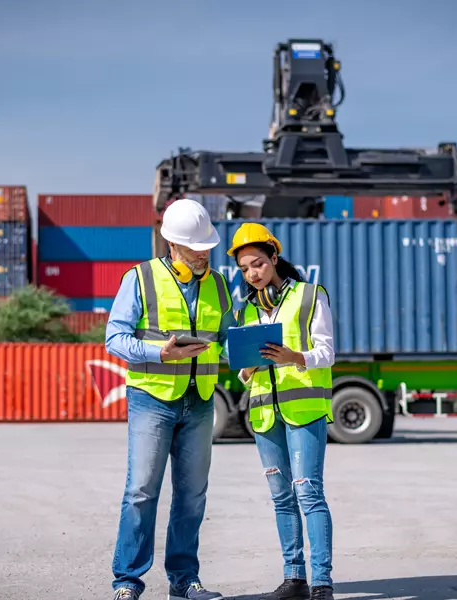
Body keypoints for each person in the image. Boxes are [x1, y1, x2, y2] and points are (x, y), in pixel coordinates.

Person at [104, 198, 235, 600]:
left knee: (192, 496)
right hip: (152, 399)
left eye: (207, 246)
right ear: (173, 244)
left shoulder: (218, 285)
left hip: (201, 400)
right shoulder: (140, 278)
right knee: (141, 491)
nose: (204, 253)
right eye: (196, 247)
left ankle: (184, 579)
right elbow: (115, 339)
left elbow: (226, 339)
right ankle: (128, 581)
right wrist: (159, 353)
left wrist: (249, 353)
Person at [228, 223, 337, 600]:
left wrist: (294, 357)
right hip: (264, 414)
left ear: (274, 258)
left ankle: (321, 582)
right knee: (281, 497)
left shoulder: (310, 296)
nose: (252, 273)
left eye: (258, 263)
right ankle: (294, 579)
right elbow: (242, 373)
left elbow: (328, 352)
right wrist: (247, 369)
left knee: (308, 492)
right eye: (244, 269)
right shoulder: (244, 311)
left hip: (304, 408)